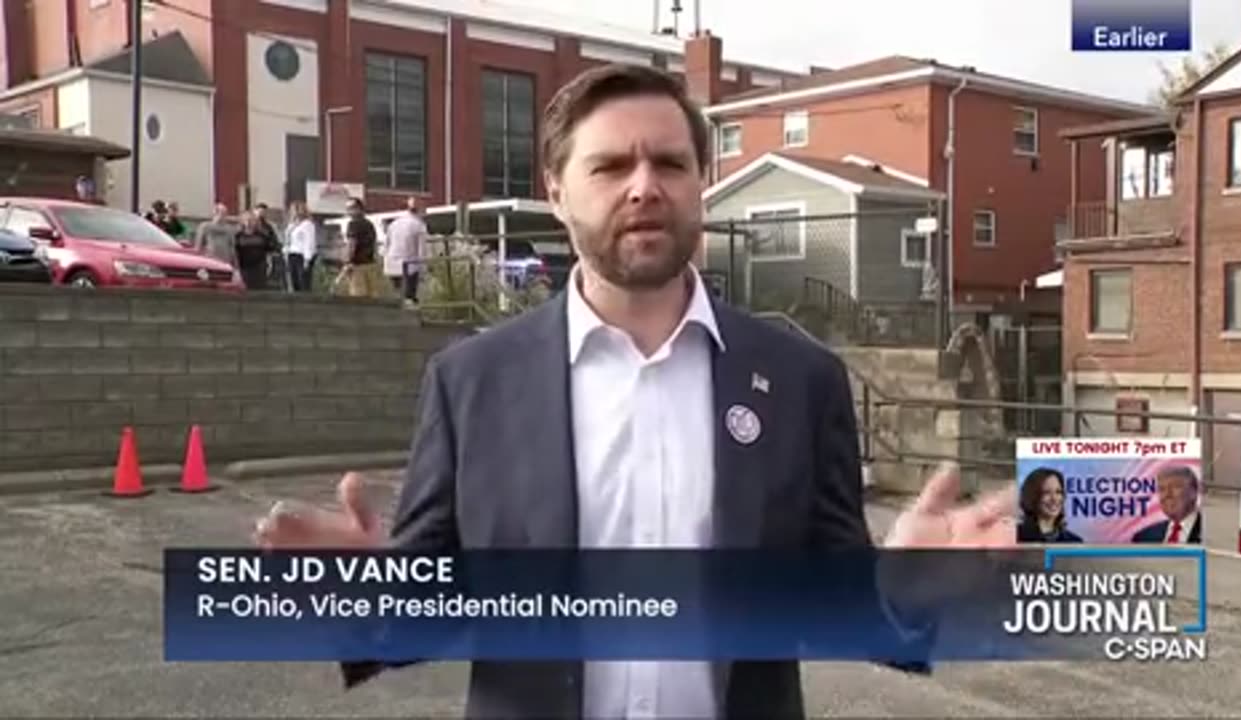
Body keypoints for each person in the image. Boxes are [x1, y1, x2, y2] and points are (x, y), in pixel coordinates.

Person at [253, 64, 1016, 719]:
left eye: (670, 165)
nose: (645, 187)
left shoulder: (801, 379)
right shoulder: (471, 383)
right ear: (556, 192)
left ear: (701, 184)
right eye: (611, 166)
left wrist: (904, 592)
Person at [1131, 465, 1202, 543]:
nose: (1167, 494)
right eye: (1162, 489)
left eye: (1175, 487)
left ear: (1193, 492)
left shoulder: (1211, 530)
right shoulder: (1144, 537)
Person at [1016, 467, 1082, 543]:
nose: (1054, 499)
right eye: (1046, 492)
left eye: (1058, 492)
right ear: (1032, 496)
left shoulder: (1074, 542)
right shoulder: (1015, 535)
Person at [383, 197, 428, 306]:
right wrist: (423, 270)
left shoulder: (394, 223)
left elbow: (386, 245)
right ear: (420, 209)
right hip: (409, 266)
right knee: (409, 297)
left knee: (398, 295)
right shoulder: (419, 225)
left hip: (392, 264)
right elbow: (422, 250)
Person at [234, 204, 280, 290]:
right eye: (246, 220)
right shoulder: (238, 236)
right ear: (243, 222)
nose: (248, 223)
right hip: (244, 267)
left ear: (255, 222)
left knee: (259, 288)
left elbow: (271, 247)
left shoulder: (262, 235)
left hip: (259, 267)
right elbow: (235, 251)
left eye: (251, 221)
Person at [341, 198, 379, 297]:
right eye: (347, 208)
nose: (349, 211)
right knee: (372, 296)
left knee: (358, 298)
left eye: (351, 208)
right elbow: (374, 245)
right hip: (371, 264)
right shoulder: (369, 224)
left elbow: (352, 244)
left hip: (357, 266)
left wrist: (348, 261)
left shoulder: (353, 224)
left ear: (359, 208)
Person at [283, 201, 317, 293]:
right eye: (294, 210)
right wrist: (285, 253)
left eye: (298, 210)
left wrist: (307, 259)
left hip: (302, 255)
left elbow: (309, 242)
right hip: (291, 254)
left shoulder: (307, 225)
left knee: (303, 281)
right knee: (293, 282)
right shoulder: (291, 225)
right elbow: (287, 240)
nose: (296, 213)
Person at [194, 202, 240, 269]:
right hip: (209, 261)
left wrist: (236, 264)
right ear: (215, 213)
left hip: (225, 262)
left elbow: (233, 247)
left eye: (225, 213)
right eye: (221, 213)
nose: (223, 216)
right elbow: (198, 246)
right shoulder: (205, 226)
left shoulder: (229, 229)